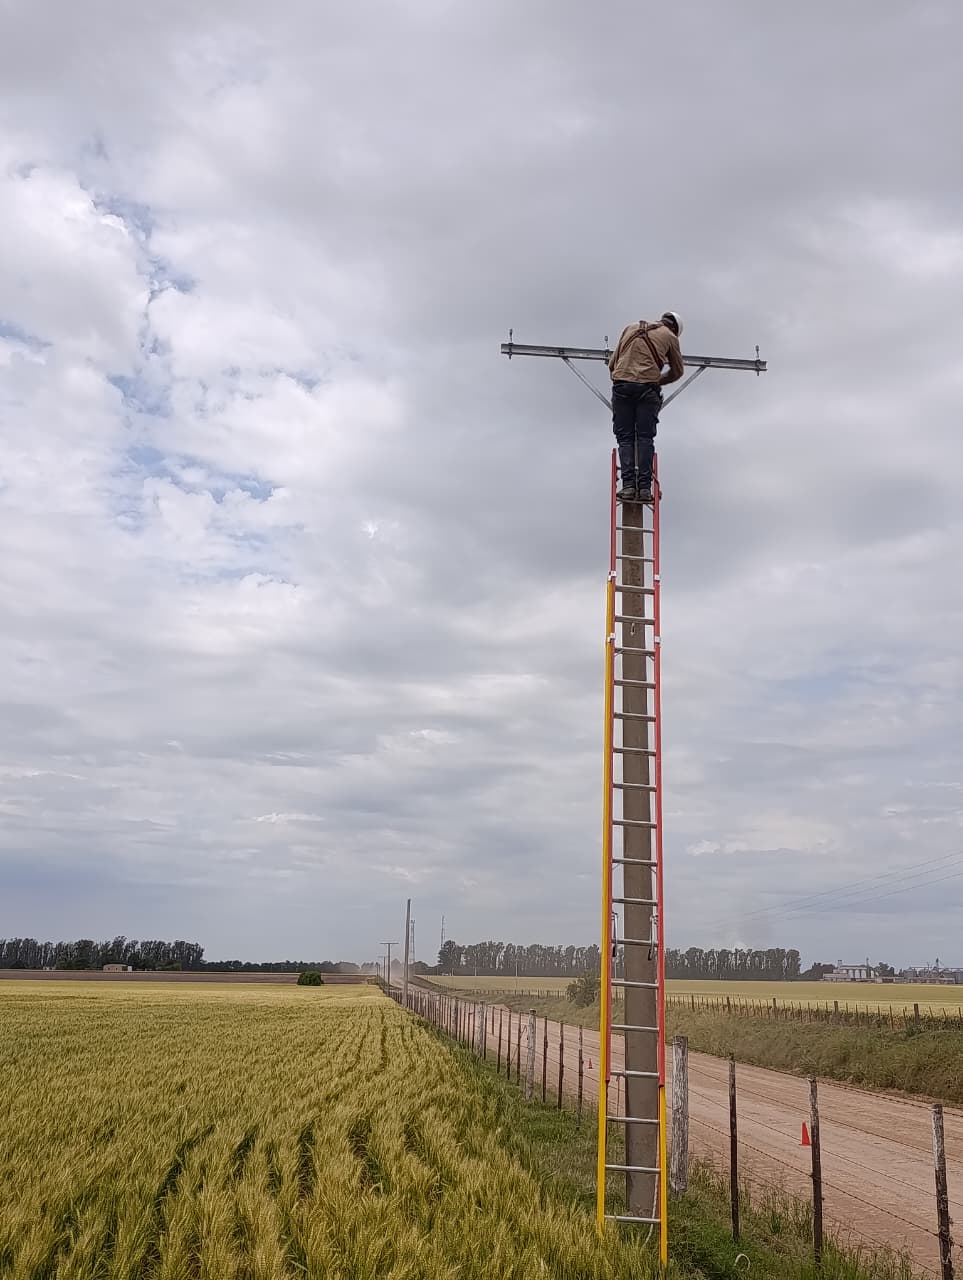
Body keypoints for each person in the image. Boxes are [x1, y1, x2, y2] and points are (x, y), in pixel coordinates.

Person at [608, 311, 684, 501]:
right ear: (675, 328)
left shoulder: (631, 327)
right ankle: (643, 488)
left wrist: (625, 377)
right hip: (647, 390)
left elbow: (612, 364)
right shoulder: (670, 336)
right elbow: (677, 371)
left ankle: (627, 487)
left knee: (625, 437)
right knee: (644, 437)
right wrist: (659, 380)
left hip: (621, 385)